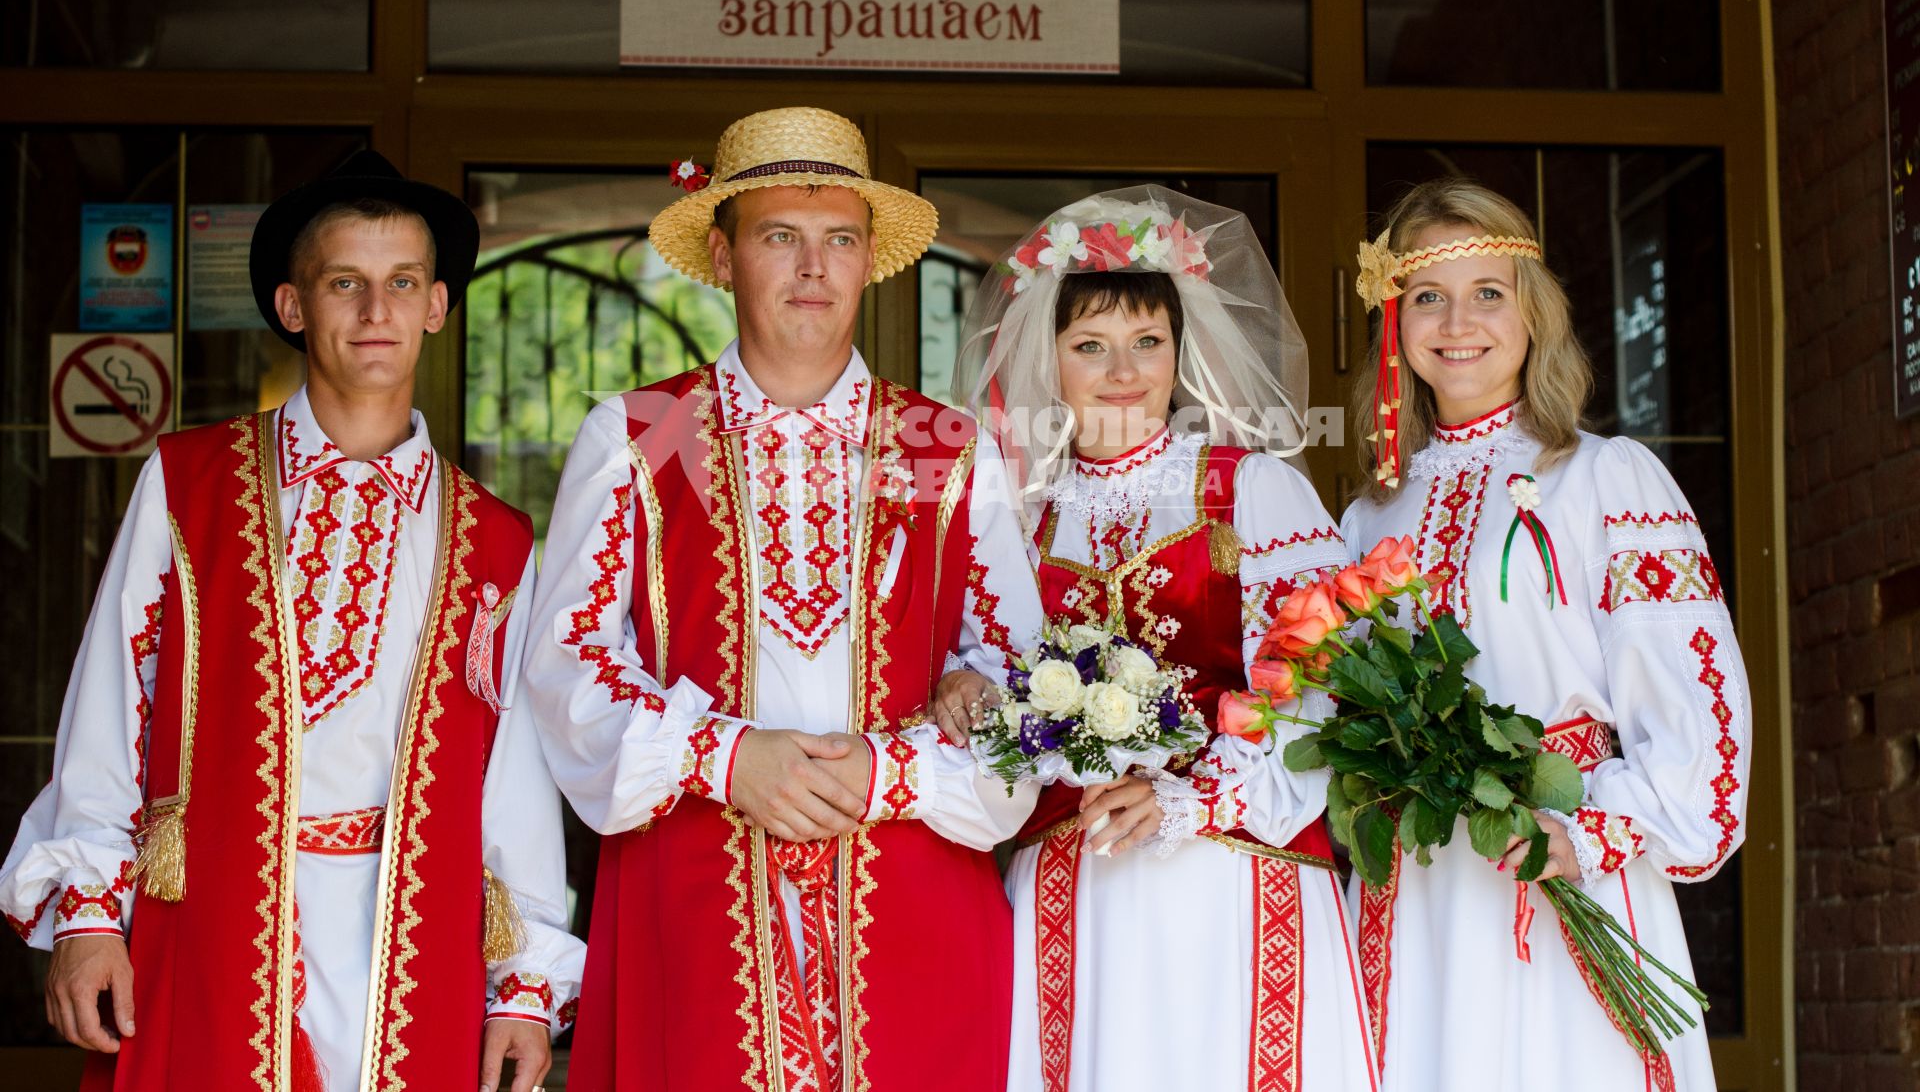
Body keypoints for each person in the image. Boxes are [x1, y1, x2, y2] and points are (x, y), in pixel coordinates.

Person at [0, 151, 584, 1092]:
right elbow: (115, 701)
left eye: (402, 284)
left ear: (438, 305)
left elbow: (510, 771)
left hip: (411, 938)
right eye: (344, 282)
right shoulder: (188, 482)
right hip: (212, 920)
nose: (375, 310)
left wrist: (521, 987)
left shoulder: (497, 537)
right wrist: (89, 919)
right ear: (291, 304)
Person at [522, 106, 1045, 1090]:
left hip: (914, 903)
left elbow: (1021, 677)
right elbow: (566, 660)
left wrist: (895, 771)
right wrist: (723, 755)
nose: (814, 267)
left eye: (839, 239)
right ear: (722, 257)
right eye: (780, 238)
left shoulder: (944, 445)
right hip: (697, 896)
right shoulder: (643, 431)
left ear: (867, 260)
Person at [938, 187, 1377, 1092]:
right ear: (1045, 358)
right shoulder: (1021, 520)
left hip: (1230, 867)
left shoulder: (1249, 490)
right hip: (1078, 886)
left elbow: (1323, 682)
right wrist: (960, 687)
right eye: (1089, 345)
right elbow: (983, 661)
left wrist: (1190, 801)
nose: (1123, 369)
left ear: (1181, 351)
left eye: (1148, 342)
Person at [1339, 177, 1750, 1092]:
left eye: (1489, 293)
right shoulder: (1367, 516)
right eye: (1428, 297)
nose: (1459, 322)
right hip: (1416, 889)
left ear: (1532, 313)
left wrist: (1590, 833)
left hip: (1562, 854)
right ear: (1394, 325)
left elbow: (1692, 697)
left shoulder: (1607, 480)